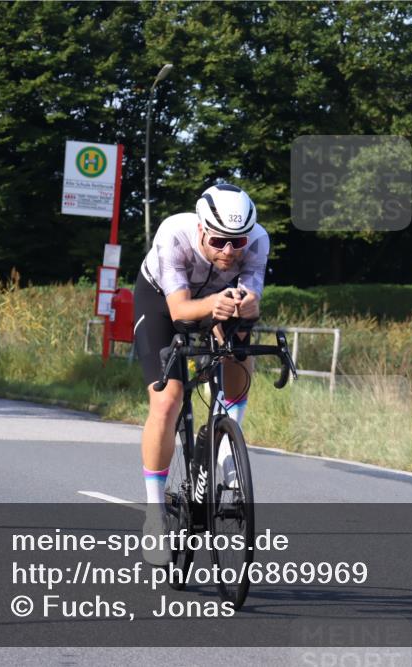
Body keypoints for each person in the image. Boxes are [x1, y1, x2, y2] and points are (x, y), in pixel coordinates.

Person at [134, 182, 269, 565]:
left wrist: (246, 305)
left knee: (240, 343)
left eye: (237, 243)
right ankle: (154, 512)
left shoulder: (258, 241)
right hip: (162, 302)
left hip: (217, 302)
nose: (229, 251)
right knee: (168, 399)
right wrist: (218, 304)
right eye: (219, 241)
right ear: (201, 230)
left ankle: (227, 440)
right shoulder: (174, 234)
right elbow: (179, 311)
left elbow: (252, 299)